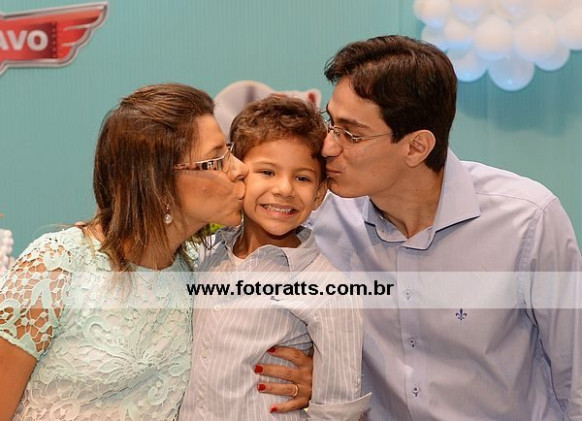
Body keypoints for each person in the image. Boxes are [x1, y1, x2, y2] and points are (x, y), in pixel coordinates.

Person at [267, 35, 581, 420]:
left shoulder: (527, 221)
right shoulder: (320, 219)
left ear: (416, 147)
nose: (328, 147)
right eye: (331, 123)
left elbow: (575, 379)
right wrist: (326, 376)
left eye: (351, 134)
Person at [0, 83, 250, 420]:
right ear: (159, 184)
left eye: (229, 151)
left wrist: (309, 374)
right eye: (217, 160)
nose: (240, 168)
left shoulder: (202, 273)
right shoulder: (55, 267)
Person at [179, 95, 370, 421]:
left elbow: (337, 411)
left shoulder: (329, 289)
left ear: (319, 193)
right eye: (267, 172)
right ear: (237, 174)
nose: (284, 189)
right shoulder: (205, 253)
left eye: (302, 178)